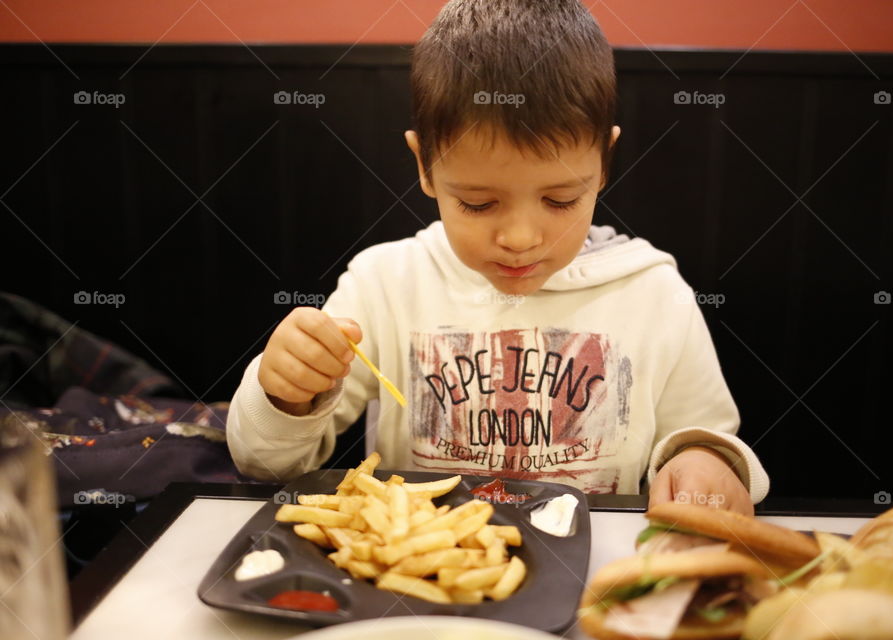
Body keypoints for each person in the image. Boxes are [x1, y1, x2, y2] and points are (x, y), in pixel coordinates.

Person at [227, 0, 769, 514]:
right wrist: (285, 396)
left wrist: (705, 462)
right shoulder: (383, 284)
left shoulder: (654, 293)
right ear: (425, 167)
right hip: (417, 585)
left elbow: (704, 439)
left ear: (604, 162)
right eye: (478, 203)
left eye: (560, 200)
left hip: (590, 584)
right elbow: (266, 465)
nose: (520, 237)